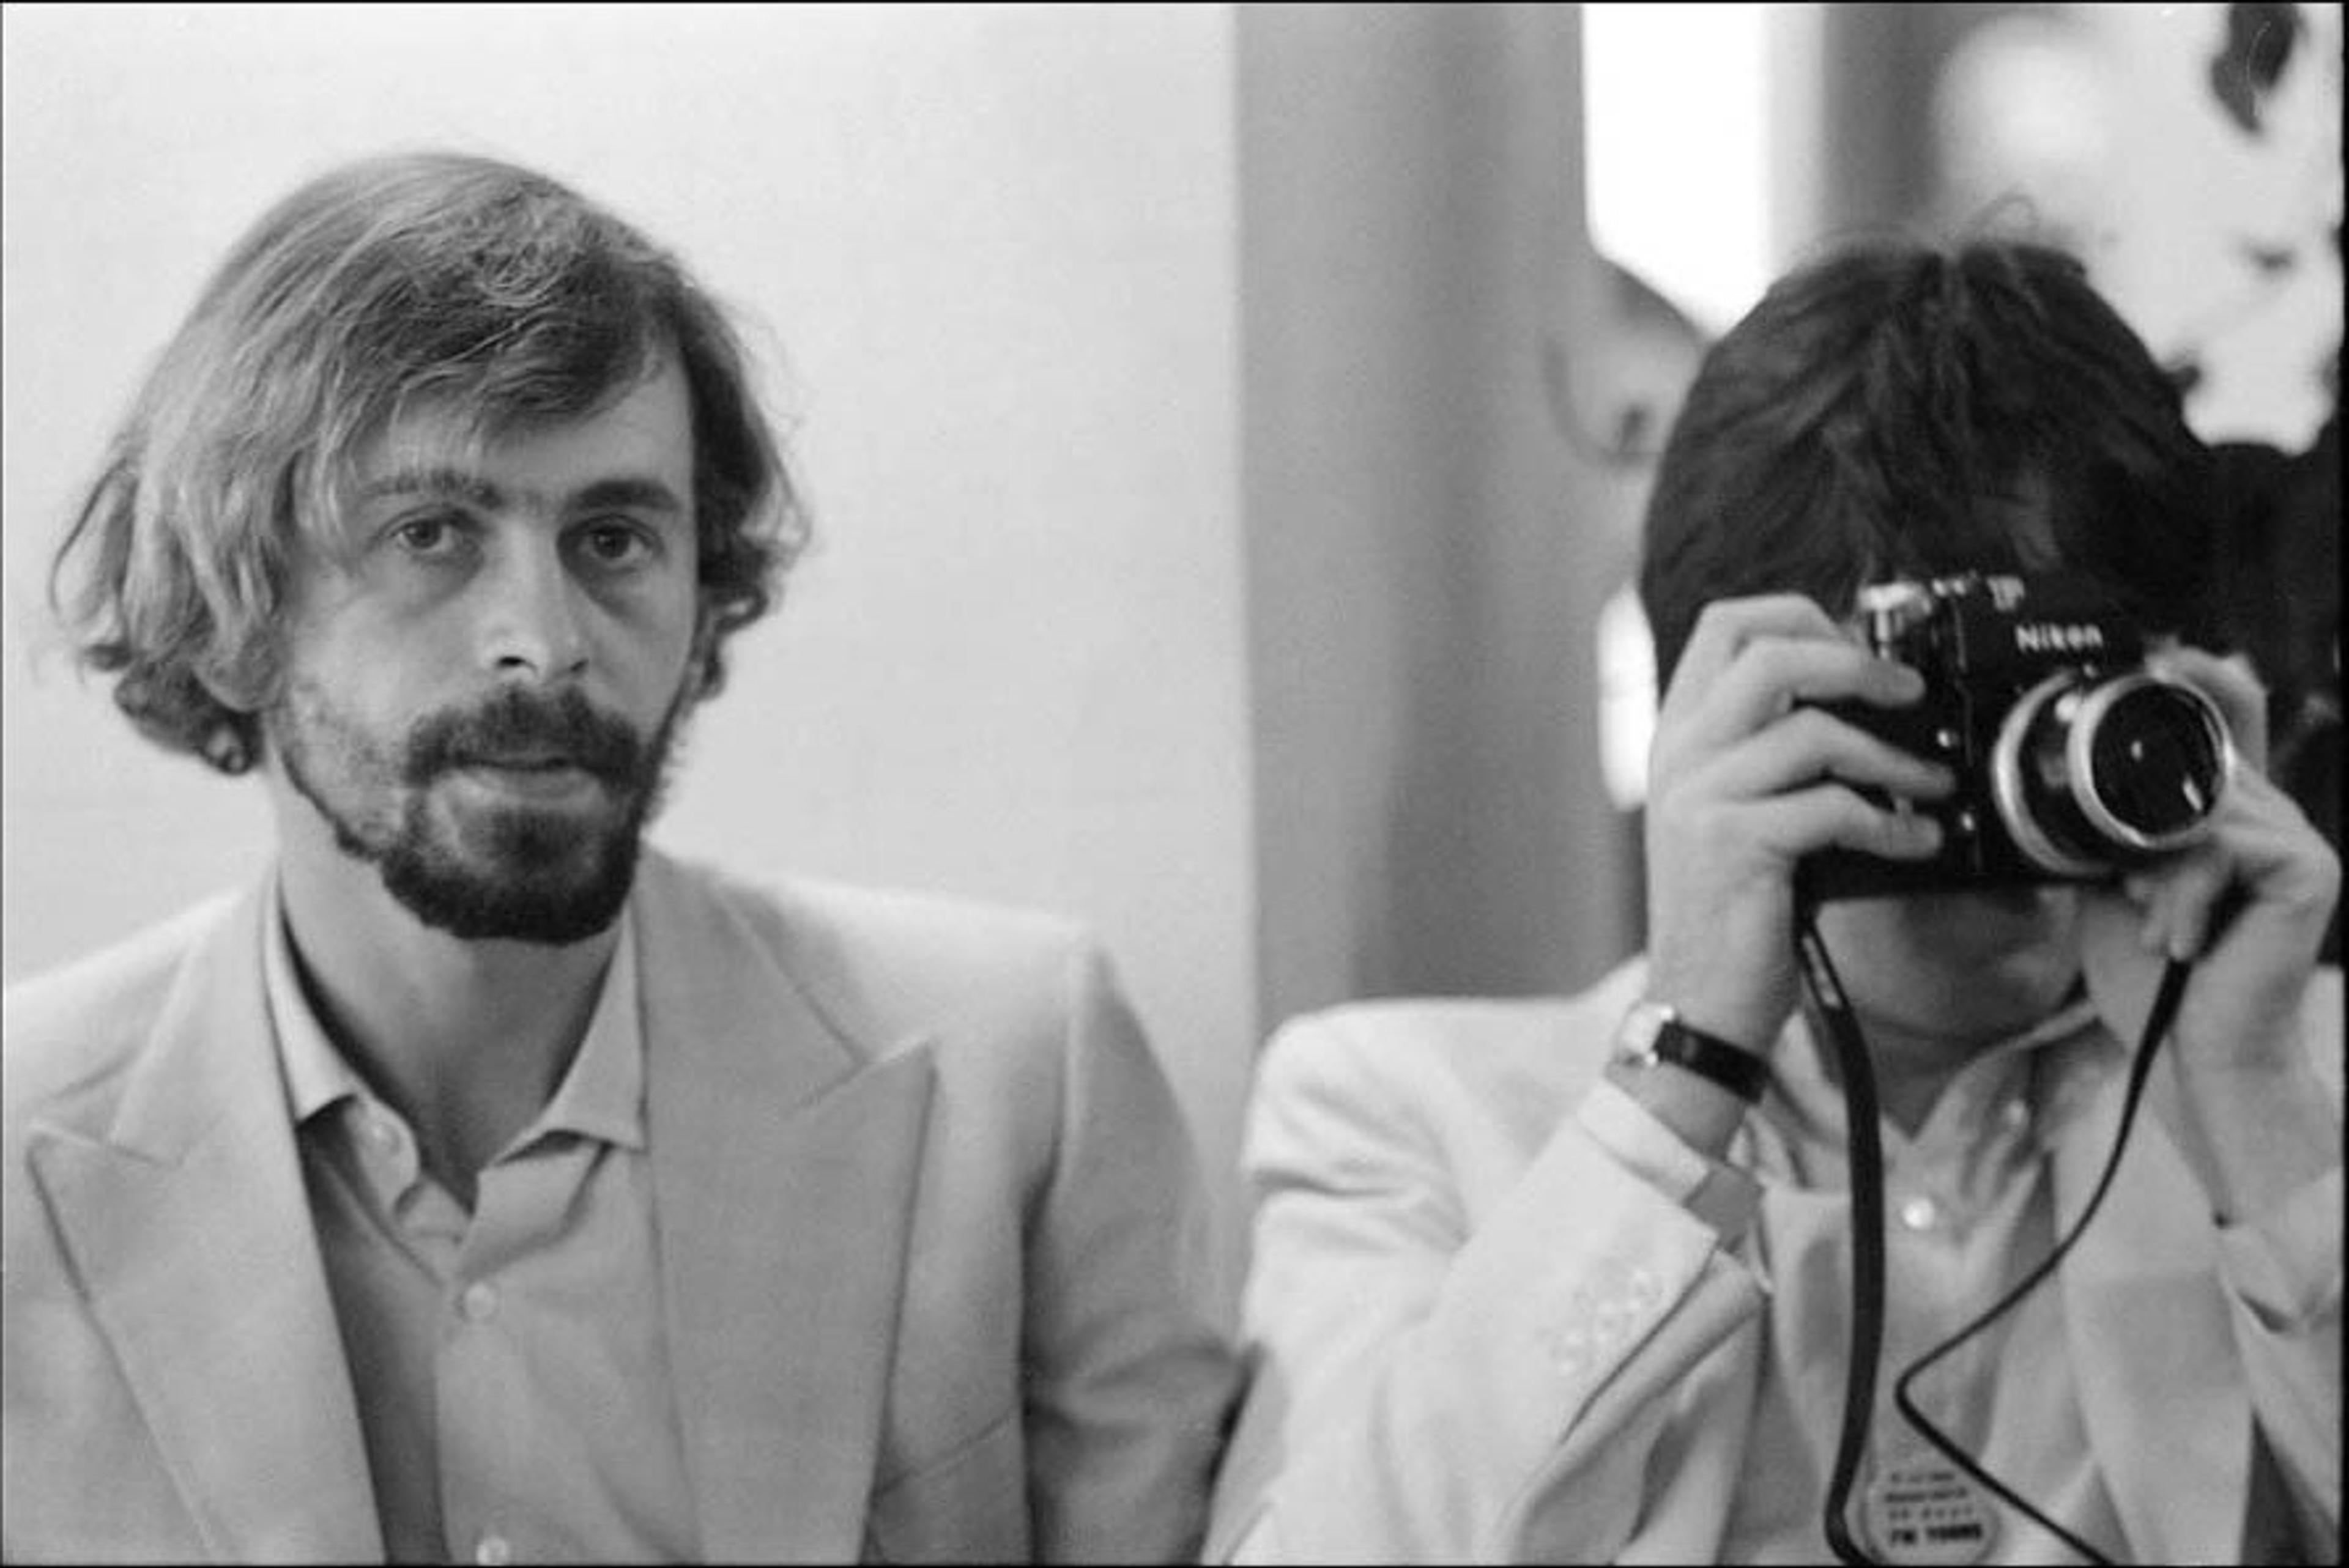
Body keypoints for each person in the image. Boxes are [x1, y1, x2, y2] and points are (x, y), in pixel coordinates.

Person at [1, 149, 1234, 1564]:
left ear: (705, 599)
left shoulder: (1025, 1077)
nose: (546, 635)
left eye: (612, 536)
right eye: (430, 534)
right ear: (233, 603)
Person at [1204, 239, 2341, 1563]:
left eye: (2071, 696)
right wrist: (1680, 1077)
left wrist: (2256, 1101)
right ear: (1722, 709)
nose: (2023, 777)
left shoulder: (2296, 1090)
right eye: (1941, 703)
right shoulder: (1406, 1114)